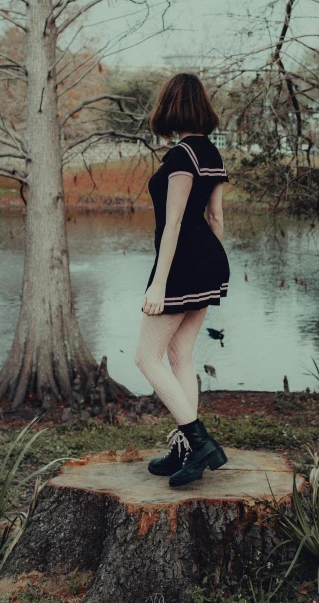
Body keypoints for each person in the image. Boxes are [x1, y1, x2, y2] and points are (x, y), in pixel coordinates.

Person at [134, 72, 230, 487]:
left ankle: (199, 440)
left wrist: (159, 283)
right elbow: (216, 218)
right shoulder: (212, 153)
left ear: (170, 108)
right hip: (208, 258)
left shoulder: (180, 157)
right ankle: (185, 449)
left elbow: (172, 225)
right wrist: (211, 264)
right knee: (181, 356)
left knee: (145, 357)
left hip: (181, 264)